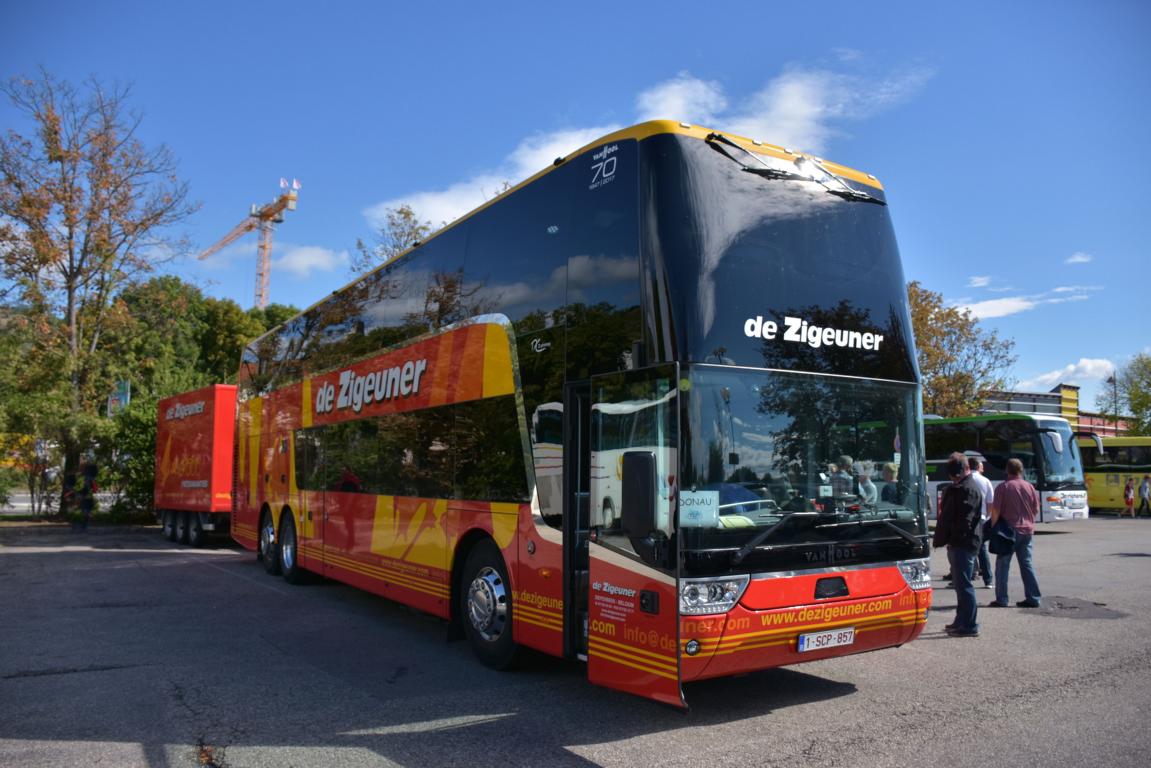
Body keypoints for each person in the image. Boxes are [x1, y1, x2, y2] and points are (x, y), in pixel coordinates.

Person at [932, 452, 983, 637]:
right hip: (961, 543)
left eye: (954, 475)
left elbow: (965, 521)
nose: (952, 478)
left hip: (963, 543)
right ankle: (961, 621)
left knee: (964, 586)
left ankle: (969, 625)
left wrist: (952, 538)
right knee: (961, 586)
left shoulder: (966, 489)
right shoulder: (963, 487)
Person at [989, 457, 1042, 609]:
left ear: (1007, 470)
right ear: (1021, 470)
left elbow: (996, 511)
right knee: (1026, 564)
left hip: (1008, 532)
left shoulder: (1003, 487)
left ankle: (1002, 599)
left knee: (1002, 565)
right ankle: (1033, 597)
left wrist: (993, 527)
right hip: (1027, 530)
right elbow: (1036, 509)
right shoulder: (1029, 487)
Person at [967, 454, 995, 589]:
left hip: (967, 520)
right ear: (978, 466)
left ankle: (969, 576)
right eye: (982, 466)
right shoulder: (985, 481)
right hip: (982, 519)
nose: (983, 469)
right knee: (982, 549)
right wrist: (987, 516)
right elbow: (990, 503)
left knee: (968, 549)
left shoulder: (965, 480)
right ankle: (988, 580)